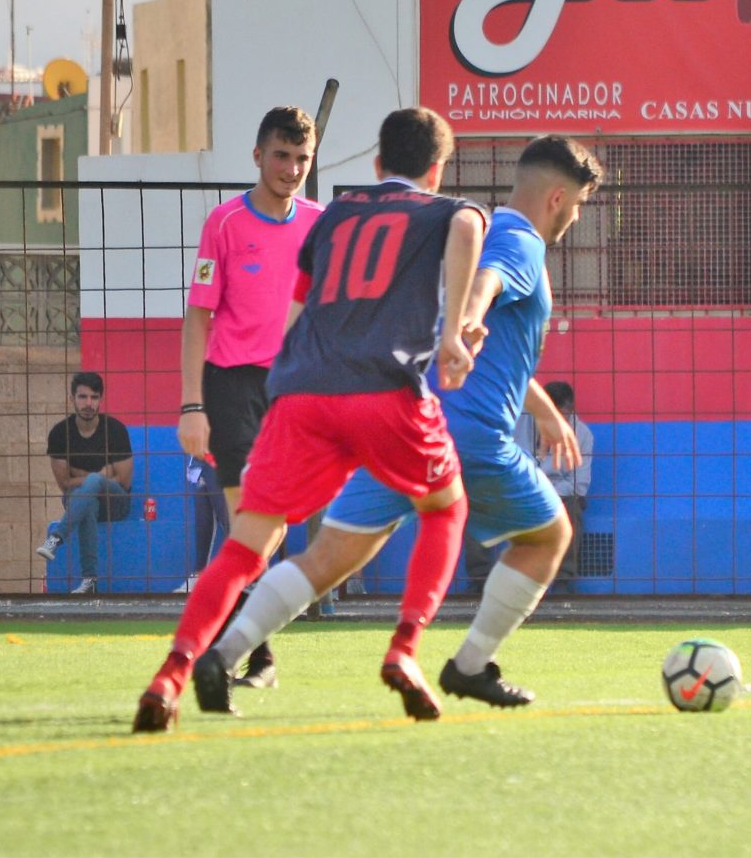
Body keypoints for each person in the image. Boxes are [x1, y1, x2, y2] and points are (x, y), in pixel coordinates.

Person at [193, 135, 603, 716]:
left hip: (404, 421)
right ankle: (469, 666)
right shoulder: (521, 240)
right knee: (549, 536)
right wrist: (468, 321)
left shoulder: (472, 234)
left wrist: (542, 409)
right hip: (470, 438)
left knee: (328, 556)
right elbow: (487, 289)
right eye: (580, 204)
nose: (577, 217)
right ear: (558, 198)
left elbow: (484, 335)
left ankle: (223, 654)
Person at [133, 106, 486, 732]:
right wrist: (456, 331)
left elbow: (299, 311)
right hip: (380, 389)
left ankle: (171, 675)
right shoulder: (443, 209)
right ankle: (404, 649)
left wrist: (287, 384)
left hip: (298, 392)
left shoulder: (334, 216)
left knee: (248, 541)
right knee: (445, 508)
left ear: (377, 164)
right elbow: (466, 227)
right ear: (436, 170)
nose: (293, 168)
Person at [176, 105, 323, 686]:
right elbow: (198, 317)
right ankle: (249, 654)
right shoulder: (225, 223)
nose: (291, 168)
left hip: (293, 391)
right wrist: (192, 405)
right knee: (249, 525)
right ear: (258, 156)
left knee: (272, 531)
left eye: (302, 158)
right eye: (281, 156)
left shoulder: (320, 223)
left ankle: (231, 644)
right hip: (233, 387)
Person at [37, 372, 134, 594]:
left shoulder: (115, 430)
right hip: (79, 501)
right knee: (88, 498)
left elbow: (124, 480)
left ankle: (56, 538)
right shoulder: (60, 433)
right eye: (82, 397)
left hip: (115, 502)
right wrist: (102, 474)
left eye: (94, 397)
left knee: (93, 482)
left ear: (101, 400)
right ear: (72, 399)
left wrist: (87, 477)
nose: (89, 403)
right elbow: (64, 483)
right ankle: (90, 581)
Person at [514, 380, 593, 594]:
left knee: (573, 507)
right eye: (550, 414)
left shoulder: (583, 435)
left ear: (570, 412)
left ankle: (563, 579)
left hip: (560, 492)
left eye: (561, 415)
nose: (555, 421)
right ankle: (482, 577)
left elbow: (579, 484)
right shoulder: (520, 423)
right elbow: (511, 462)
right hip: (523, 487)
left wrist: (549, 492)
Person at [173, 455, 229, 594]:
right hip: (204, 457)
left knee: (227, 517)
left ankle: (242, 577)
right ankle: (199, 575)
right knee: (203, 515)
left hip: (227, 456)